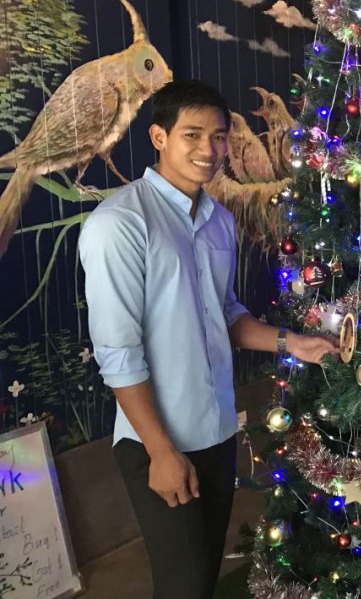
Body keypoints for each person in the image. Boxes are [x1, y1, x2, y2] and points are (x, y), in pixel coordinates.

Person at [79, 80, 339, 599]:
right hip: (158, 442)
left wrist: (296, 343)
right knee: (182, 585)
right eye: (192, 135)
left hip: (216, 432)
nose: (209, 150)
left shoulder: (219, 221)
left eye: (218, 137)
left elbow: (225, 315)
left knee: (203, 577)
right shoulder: (119, 224)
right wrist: (161, 452)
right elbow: (118, 354)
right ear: (158, 136)